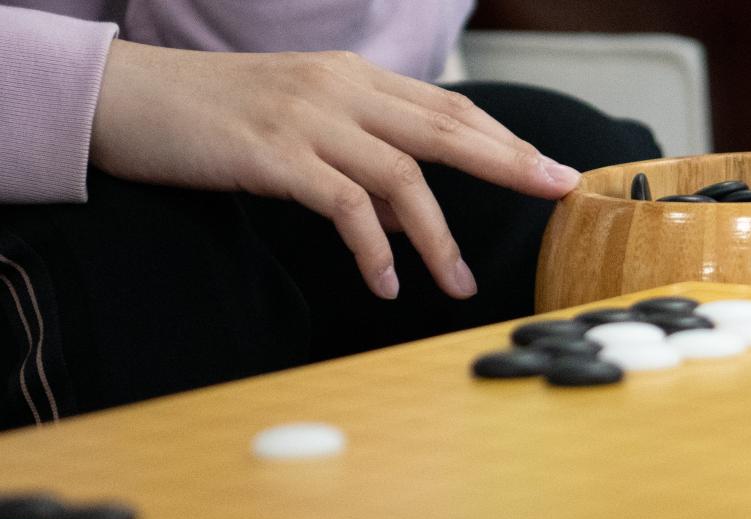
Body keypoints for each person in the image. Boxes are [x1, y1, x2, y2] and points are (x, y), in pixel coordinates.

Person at [0, 1, 660, 430]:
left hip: (215, 108)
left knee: (572, 172)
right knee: (145, 258)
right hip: (39, 120)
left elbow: (298, 58)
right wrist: (100, 89)